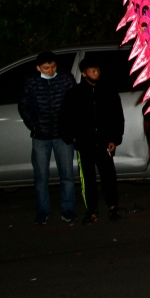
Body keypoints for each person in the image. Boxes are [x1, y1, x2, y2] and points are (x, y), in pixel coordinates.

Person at [58, 58, 125, 225]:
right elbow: (65, 117)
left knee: (109, 176)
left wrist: (114, 138)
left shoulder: (108, 91)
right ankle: (92, 210)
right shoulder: (75, 93)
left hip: (104, 143)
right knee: (88, 179)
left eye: (98, 70)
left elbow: (117, 116)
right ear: (83, 73)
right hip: (85, 144)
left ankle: (113, 207)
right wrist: (73, 137)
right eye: (92, 70)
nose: (96, 73)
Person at [18, 51, 77, 225]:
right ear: (38, 68)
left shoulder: (66, 79)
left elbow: (74, 102)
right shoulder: (31, 82)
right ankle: (42, 211)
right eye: (46, 68)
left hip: (62, 135)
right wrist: (34, 125)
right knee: (41, 176)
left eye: (53, 66)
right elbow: (23, 105)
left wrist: (70, 126)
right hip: (41, 136)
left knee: (67, 174)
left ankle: (68, 209)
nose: (50, 70)